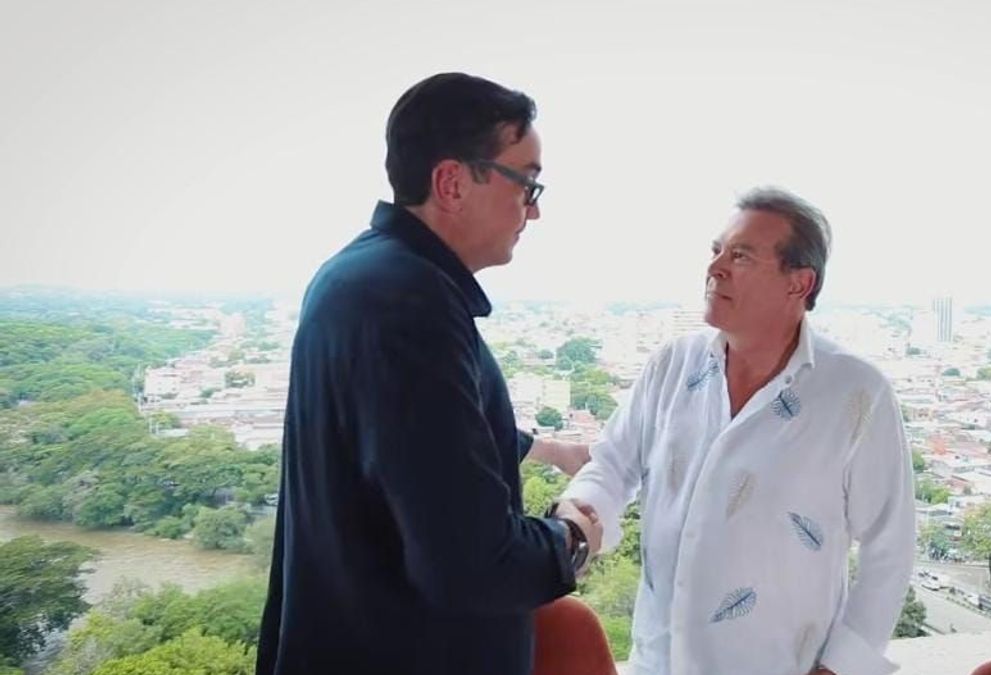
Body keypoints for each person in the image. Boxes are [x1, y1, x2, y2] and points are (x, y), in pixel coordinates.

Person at [256, 72, 600, 675]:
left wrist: (546, 450)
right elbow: (472, 564)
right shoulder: (412, 307)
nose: (534, 210)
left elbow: (414, 440)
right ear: (452, 183)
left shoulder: (357, 276)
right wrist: (569, 539)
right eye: (527, 184)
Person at [559, 187, 916, 675]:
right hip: (657, 663)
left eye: (741, 256)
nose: (715, 268)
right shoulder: (672, 365)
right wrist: (577, 520)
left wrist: (842, 667)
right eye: (716, 251)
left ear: (799, 283)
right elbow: (612, 467)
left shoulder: (856, 393)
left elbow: (890, 547)